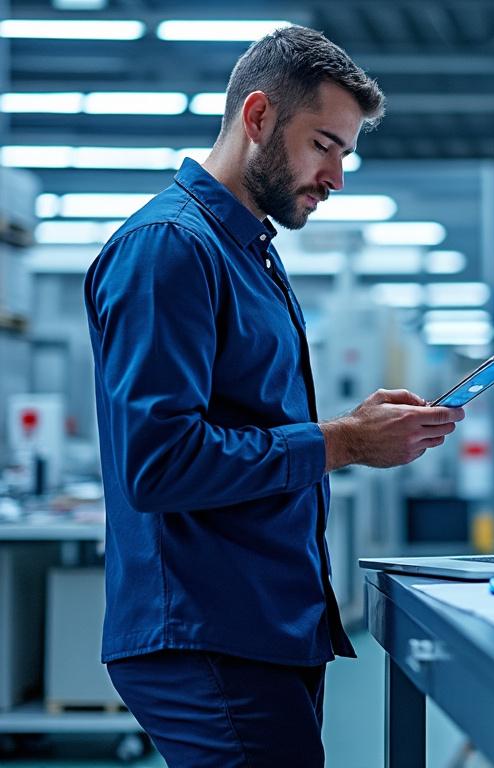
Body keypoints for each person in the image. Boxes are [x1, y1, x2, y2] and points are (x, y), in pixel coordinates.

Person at [83, 25, 464, 767]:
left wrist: (349, 427)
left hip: (262, 623)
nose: (336, 178)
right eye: (324, 145)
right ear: (257, 117)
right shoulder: (171, 249)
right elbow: (159, 463)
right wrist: (345, 442)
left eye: (345, 154)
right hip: (205, 632)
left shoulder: (248, 253)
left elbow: (248, 427)